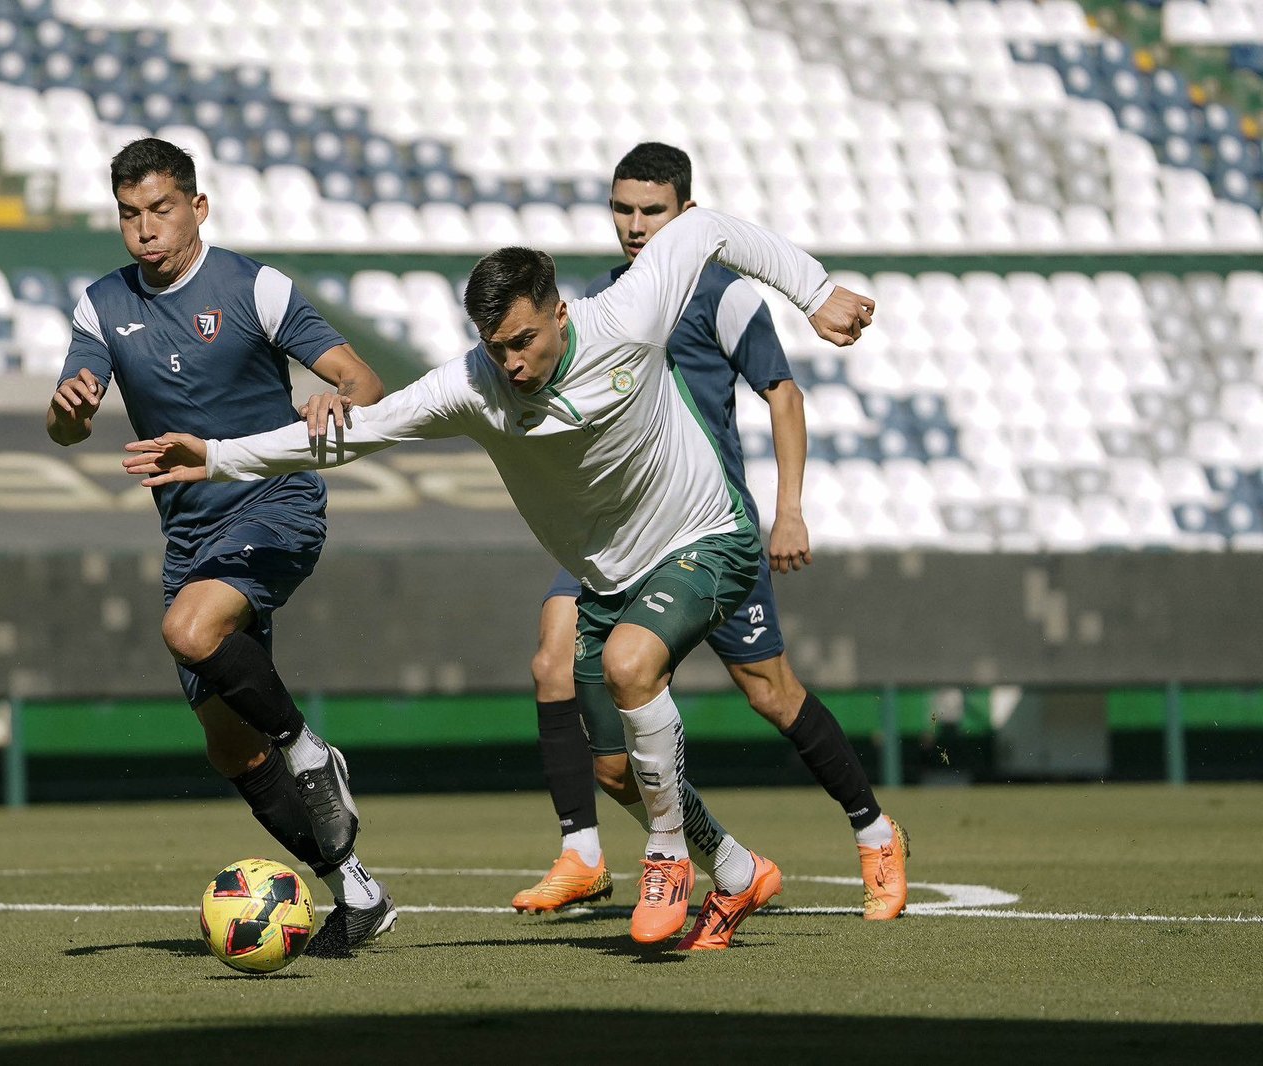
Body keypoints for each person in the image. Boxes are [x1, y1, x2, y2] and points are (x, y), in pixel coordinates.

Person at [121, 198, 875, 950]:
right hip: (609, 579)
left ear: (560, 312)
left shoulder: (630, 313)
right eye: (495, 345)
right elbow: (359, 433)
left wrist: (814, 292)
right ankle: (740, 873)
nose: (511, 363)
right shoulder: (472, 383)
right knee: (614, 772)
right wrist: (218, 457)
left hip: (707, 535)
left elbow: (705, 226)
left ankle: (670, 858)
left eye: (523, 341)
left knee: (630, 664)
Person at [511, 143, 909, 922]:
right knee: (554, 660)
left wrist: (789, 509)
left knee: (773, 694)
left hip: (707, 529)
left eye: (651, 211)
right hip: (624, 535)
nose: (634, 225)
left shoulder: (723, 295)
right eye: (622, 209)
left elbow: (783, 394)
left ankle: (875, 830)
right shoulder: (596, 302)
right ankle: (584, 855)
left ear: (685, 214)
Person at [47, 137, 395, 956]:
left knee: (189, 631)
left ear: (197, 208)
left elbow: (365, 383)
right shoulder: (101, 305)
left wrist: (329, 404)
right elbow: (65, 428)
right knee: (232, 748)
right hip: (190, 535)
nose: (146, 231)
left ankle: (312, 754)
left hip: (277, 502)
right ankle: (356, 888)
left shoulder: (254, 287)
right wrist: (68, 409)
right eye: (130, 216)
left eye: (161, 211)